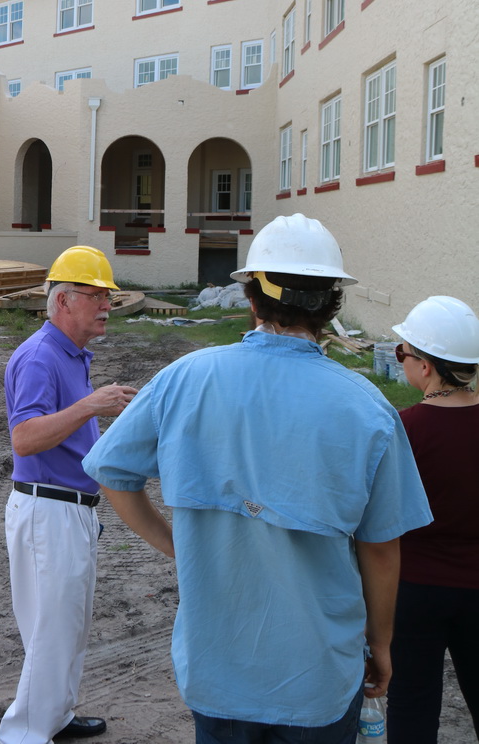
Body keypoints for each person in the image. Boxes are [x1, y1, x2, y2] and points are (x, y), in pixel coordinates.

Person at [82, 214, 433, 744]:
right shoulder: (368, 409)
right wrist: (380, 644)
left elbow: (112, 471)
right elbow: (382, 549)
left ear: (252, 297)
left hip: (218, 670)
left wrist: (175, 543)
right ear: (331, 304)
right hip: (317, 677)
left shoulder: (185, 378)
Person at [0, 245, 137, 744]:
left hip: (69, 510)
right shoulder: (39, 356)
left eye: (108, 297)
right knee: (51, 633)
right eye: (95, 296)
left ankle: (54, 717)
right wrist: (92, 404)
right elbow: (25, 437)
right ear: (62, 301)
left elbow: (73, 438)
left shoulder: (71, 355)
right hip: (47, 511)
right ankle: (25, 734)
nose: (106, 306)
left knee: (69, 627)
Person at [387, 296, 479, 743]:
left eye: (401, 352)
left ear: (425, 366)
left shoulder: (402, 430)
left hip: (414, 591)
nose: (400, 360)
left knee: (411, 705)